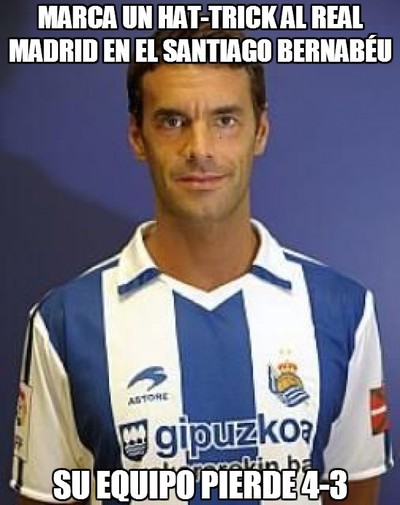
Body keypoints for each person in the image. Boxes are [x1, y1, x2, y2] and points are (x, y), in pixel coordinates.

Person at [11, 23, 392, 505]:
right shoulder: (65, 322)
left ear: (260, 131)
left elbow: (353, 491)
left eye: (225, 119)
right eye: (172, 121)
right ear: (137, 136)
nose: (200, 149)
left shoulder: (343, 311)